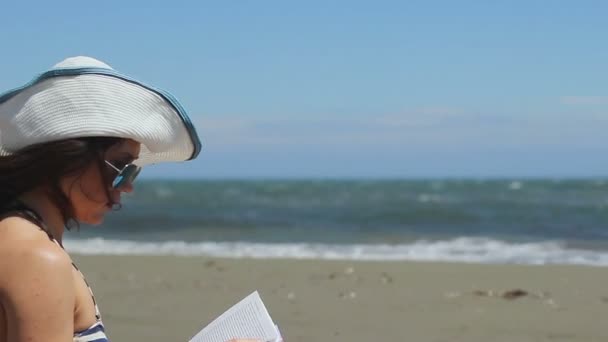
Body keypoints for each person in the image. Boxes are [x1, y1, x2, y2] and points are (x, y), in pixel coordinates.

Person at [0, 57, 259, 342]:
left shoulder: (24, 239)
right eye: (121, 167)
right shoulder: (36, 257)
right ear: (69, 157)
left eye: (132, 172)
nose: (127, 186)